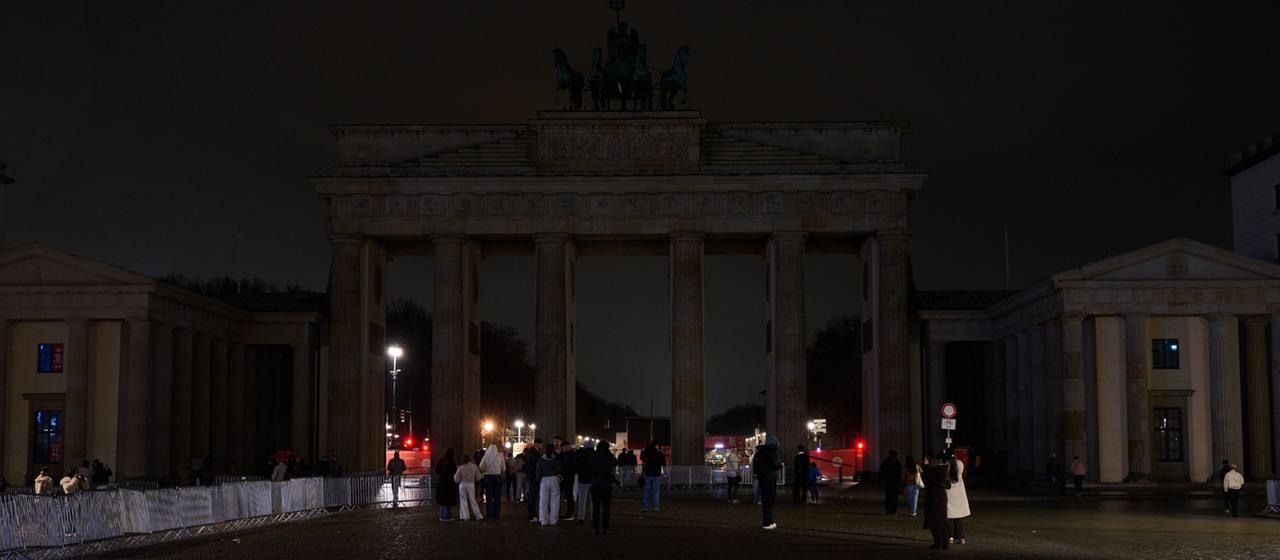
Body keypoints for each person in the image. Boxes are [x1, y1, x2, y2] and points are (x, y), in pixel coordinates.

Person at [922, 451, 952, 550]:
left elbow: (925, 480)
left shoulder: (932, 470)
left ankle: (938, 543)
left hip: (933, 497)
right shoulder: (945, 470)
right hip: (942, 497)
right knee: (942, 522)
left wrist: (925, 466)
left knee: (934, 522)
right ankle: (945, 543)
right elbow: (948, 485)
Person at [752, 435, 782, 529]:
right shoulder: (772, 452)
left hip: (763, 479)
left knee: (766, 501)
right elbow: (777, 465)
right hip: (771, 479)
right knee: (769, 501)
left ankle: (770, 521)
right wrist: (780, 465)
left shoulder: (759, 453)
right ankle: (767, 523)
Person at [588, 440, 618, 535]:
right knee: (606, 508)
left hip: (595, 484)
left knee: (595, 508)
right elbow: (615, 464)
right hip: (606, 485)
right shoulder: (609, 456)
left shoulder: (593, 456)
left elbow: (589, 468)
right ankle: (606, 528)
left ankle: (595, 527)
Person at [946, 452, 971, 545]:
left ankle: (950, 537)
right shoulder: (959, 464)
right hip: (959, 494)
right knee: (959, 518)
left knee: (949, 517)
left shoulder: (946, 467)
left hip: (949, 494)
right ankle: (962, 538)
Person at [536, 442, 564, 526]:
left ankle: (543, 520)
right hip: (554, 479)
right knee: (555, 501)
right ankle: (553, 520)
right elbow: (561, 470)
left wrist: (539, 481)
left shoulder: (541, 460)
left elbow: (538, 472)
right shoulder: (557, 460)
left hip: (544, 480)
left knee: (543, 501)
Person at [454, 454, 484, 521]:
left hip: (462, 485)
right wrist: (474, 480)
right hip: (471, 484)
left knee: (463, 501)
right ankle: (478, 516)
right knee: (472, 500)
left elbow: (456, 479)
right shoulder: (474, 466)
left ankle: (465, 516)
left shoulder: (460, 468)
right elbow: (479, 476)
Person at [479, 444, 505, 520]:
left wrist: (486, 469)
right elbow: (504, 468)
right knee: (497, 496)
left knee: (489, 497)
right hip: (497, 477)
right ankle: (497, 514)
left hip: (488, 477)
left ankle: (490, 514)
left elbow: (481, 467)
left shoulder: (485, 456)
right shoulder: (500, 456)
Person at [640, 440, 666, 513]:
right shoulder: (659, 453)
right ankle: (655, 508)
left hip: (648, 474)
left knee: (646, 491)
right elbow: (664, 464)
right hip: (657, 474)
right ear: (656, 445)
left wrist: (643, 451)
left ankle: (645, 508)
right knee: (655, 492)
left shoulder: (646, 452)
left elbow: (642, 458)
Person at [436, 449, 459, 521]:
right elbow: (454, 471)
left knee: (443, 500)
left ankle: (442, 516)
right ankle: (446, 516)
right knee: (447, 500)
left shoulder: (441, 460)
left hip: (442, 482)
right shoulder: (451, 461)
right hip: (449, 483)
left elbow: (437, 470)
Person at [573, 444, 594, 524]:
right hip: (593, 480)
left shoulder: (581, 455)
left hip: (582, 480)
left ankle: (581, 518)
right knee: (593, 500)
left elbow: (576, 465)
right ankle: (593, 517)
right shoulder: (595, 455)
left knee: (582, 500)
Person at [523, 440, 543, 521]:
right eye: (541, 444)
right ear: (537, 444)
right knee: (533, 496)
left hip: (531, 476)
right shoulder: (534, 453)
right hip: (534, 477)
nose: (542, 446)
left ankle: (532, 513)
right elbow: (537, 464)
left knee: (532, 495)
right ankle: (532, 514)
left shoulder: (530, 452)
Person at [879, 450, 902, 514]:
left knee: (889, 497)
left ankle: (888, 510)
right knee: (894, 497)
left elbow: (881, 472)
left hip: (888, 482)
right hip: (895, 482)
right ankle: (893, 510)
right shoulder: (897, 462)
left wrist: (882, 480)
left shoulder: (886, 462)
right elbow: (899, 473)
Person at [560, 443, 577, 519]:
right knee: (568, 496)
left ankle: (569, 514)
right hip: (568, 479)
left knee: (569, 496)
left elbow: (569, 467)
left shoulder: (570, 456)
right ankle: (569, 513)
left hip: (567, 479)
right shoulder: (570, 455)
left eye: (563, 447)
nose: (562, 449)